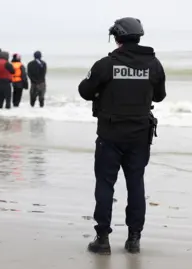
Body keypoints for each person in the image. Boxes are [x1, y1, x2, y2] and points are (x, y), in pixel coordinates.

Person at [79, 17, 166, 255]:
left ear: (117, 37)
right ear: (139, 36)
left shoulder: (106, 64)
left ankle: (103, 239)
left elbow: (84, 91)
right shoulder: (154, 64)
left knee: (106, 184)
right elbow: (159, 97)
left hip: (110, 135)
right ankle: (134, 239)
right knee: (135, 184)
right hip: (140, 136)